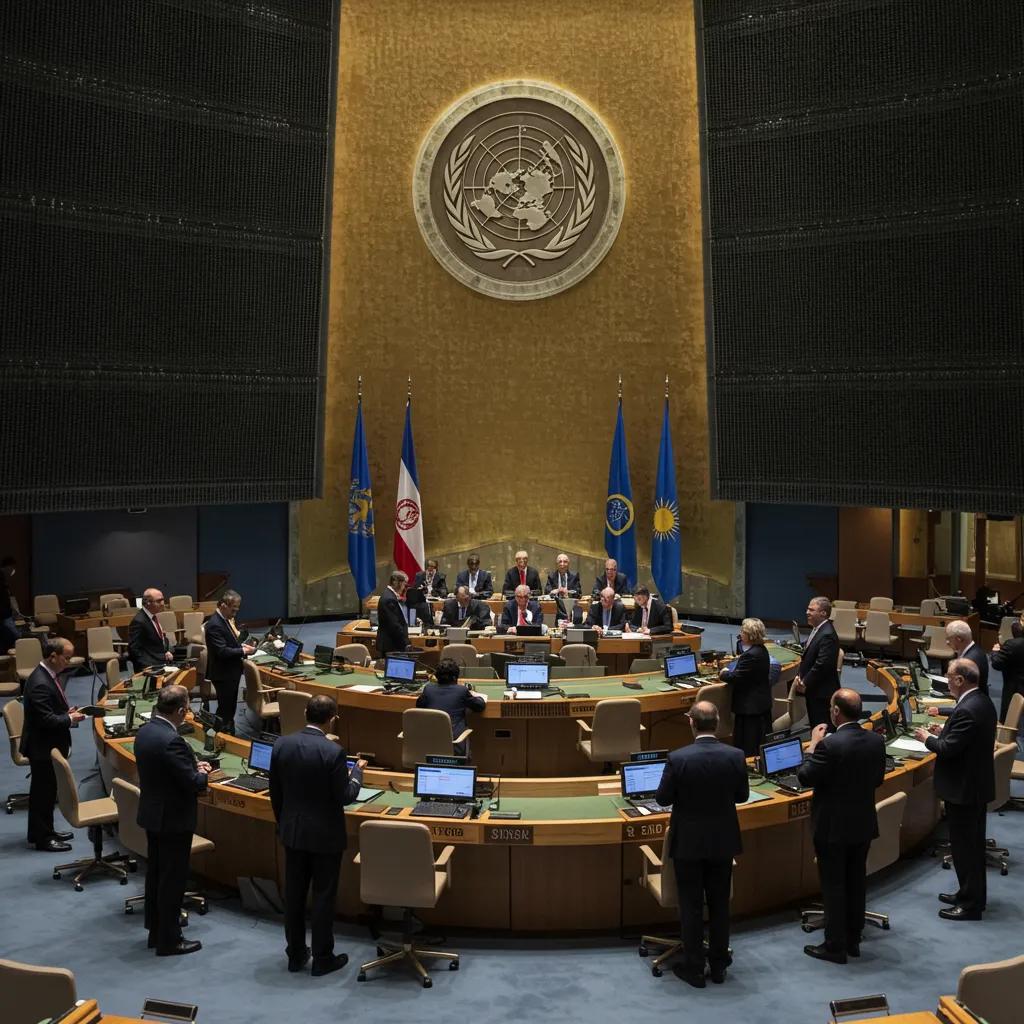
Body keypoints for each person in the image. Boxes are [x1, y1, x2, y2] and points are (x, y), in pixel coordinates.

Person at [270, 694, 365, 976]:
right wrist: (357, 774)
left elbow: (276, 792)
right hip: (325, 836)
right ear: (332, 719)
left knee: (294, 896)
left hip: (293, 832)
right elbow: (345, 796)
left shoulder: (282, 744)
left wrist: (284, 823)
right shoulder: (333, 752)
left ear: (305, 713)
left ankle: (296, 955)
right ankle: (323, 958)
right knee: (323, 896)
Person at [655, 701, 748, 988]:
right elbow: (742, 796)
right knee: (720, 905)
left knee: (691, 905)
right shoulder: (735, 755)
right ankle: (719, 966)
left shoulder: (678, 758)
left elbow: (662, 799)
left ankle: (694, 968)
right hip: (722, 841)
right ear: (717, 723)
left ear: (691, 723)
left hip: (689, 844)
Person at [798, 689, 886, 964]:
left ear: (836, 711)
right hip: (862, 823)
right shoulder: (875, 740)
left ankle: (835, 946)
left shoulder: (829, 745)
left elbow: (805, 777)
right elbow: (878, 779)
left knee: (834, 885)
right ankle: (853, 939)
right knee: (856, 881)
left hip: (833, 827)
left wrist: (813, 745)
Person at [915, 658, 996, 921]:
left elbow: (948, 749)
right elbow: (965, 738)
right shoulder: (980, 701)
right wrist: (945, 730)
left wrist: (928, 738)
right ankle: (968, 894)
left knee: (966, 850)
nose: (946, 681)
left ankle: (971, 905)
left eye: (949, 677)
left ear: (960, 680)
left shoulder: (967, 709)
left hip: (964, 790)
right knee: (970, 847)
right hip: (973, 786)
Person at [134, 684, 212, 955]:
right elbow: (193, 783)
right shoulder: (172, 740)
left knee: (156, 875)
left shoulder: (146, 731)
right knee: (172, 881)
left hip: (154, 815)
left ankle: (156, 932)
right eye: (187, 708)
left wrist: (190, 765)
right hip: (173, 819)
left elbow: (166, 769)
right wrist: (203, 774)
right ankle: (170, 940)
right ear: (180, 711)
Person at [20, 638, 84, 852]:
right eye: (66, 658)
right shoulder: (40, 682)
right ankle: (42, 838)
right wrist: (70, 719)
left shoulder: (47, 675)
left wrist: (65, 713)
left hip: (47, 744)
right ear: (53, 656)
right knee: (42, 794)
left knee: (48, 792)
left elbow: (48, 710)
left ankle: (45, 831)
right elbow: (45, 720)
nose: (69, 662)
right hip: (42, 747)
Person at [204, 590, 256, 734]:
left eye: (237, 609)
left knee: (229, 707)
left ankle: (226, 733)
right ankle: (218, 735)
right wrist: (243, 651)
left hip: (229, 672)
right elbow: (222, 651)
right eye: (233, 609)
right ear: (223, 605)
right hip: (223, 673)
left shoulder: (224, 620)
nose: (235, 612)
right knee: (225, 709)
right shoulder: (214, 624)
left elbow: (229, 643)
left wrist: (241, 646)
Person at [719, 618, 772, 757]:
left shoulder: (751, 655)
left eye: (742, 631)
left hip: (750, 708)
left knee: (748, 745)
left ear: (750, 634)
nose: (740, 634)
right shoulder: (761, 650)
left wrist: (723, 673)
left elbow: (736, 677)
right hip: (759, 704)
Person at [416, 658, 486, 756]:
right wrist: (475, 695)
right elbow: (480, 706)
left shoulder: (428, 689)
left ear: (437, 676)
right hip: (454, 745)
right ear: (455, 677)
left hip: (430, 744)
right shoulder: (461, 691)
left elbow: (419, 705)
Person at [794, 596, 840, 730]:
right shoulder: (818, 629)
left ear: (823, 613)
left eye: (811, 610)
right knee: (816, 725)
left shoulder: (827, 634)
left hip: (822, 692)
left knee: (822, 728)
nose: (807, 612)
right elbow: (812, 647)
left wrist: (805, 682)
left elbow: (822, 664)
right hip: (815, 689)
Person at [128, 588, 175, 671]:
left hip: (161, 661)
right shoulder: (139, 621)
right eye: (159, 601)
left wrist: (166, 651)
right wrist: (148, 666)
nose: (162, 604)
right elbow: (133, 649)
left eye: (163, 600)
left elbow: (159, 639)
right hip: (151, 667)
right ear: (148, 603)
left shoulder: (153, 617)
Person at [945, 620, 989, 695]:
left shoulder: (969, 660)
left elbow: (961, 689)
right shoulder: (976, 649)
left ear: (959, 639)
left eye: (949, 638)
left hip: (972, 700)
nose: (947, 642)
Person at [991, 621, 1024, 722]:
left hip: (1014, 687)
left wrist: (995, 652)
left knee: (1009, 718)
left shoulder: (1012, 644)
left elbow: (997, 664)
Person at [376, 570, 410, 656]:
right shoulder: (389, 599)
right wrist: (405, 643)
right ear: (395, 582)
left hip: (392, 643)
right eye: (404, 584)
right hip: (391, 645)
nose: (404, 588)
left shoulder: (390, 595)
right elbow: (394, 625)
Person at [0, 556, 18, 653]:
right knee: (15, 636)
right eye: (13, 567)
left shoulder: (3, 578)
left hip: (5, 613)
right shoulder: (1, 577)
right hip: (3, 614)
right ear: (8, 567)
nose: (13, 571)